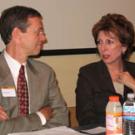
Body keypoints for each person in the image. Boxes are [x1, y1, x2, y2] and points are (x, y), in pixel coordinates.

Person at [0, 5, 69, 135]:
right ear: (17, 35)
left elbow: (61, 119)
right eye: (39, 32)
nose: (44, 38)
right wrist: (40, 117)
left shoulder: (45, 72)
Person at [76, 13, 135, 126]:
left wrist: (133, 84)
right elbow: (85, 119)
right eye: (100, 42)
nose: (103, 48)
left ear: (124, 47)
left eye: (109, 42)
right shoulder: (88, 74)